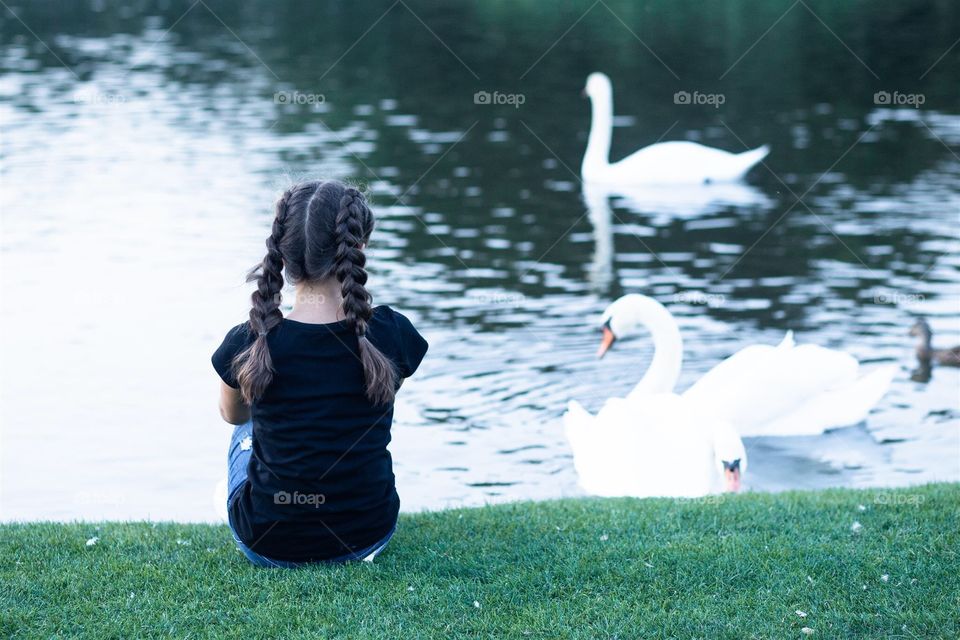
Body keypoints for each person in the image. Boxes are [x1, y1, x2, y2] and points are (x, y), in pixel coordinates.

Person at [212, 180, 428, 567]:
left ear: (282, 252)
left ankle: (250, 505)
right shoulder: (391, 333)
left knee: (243, 428)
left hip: (267, 544)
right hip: (368, 536)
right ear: (358, 247)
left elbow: (233, 415)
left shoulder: (250, 341)